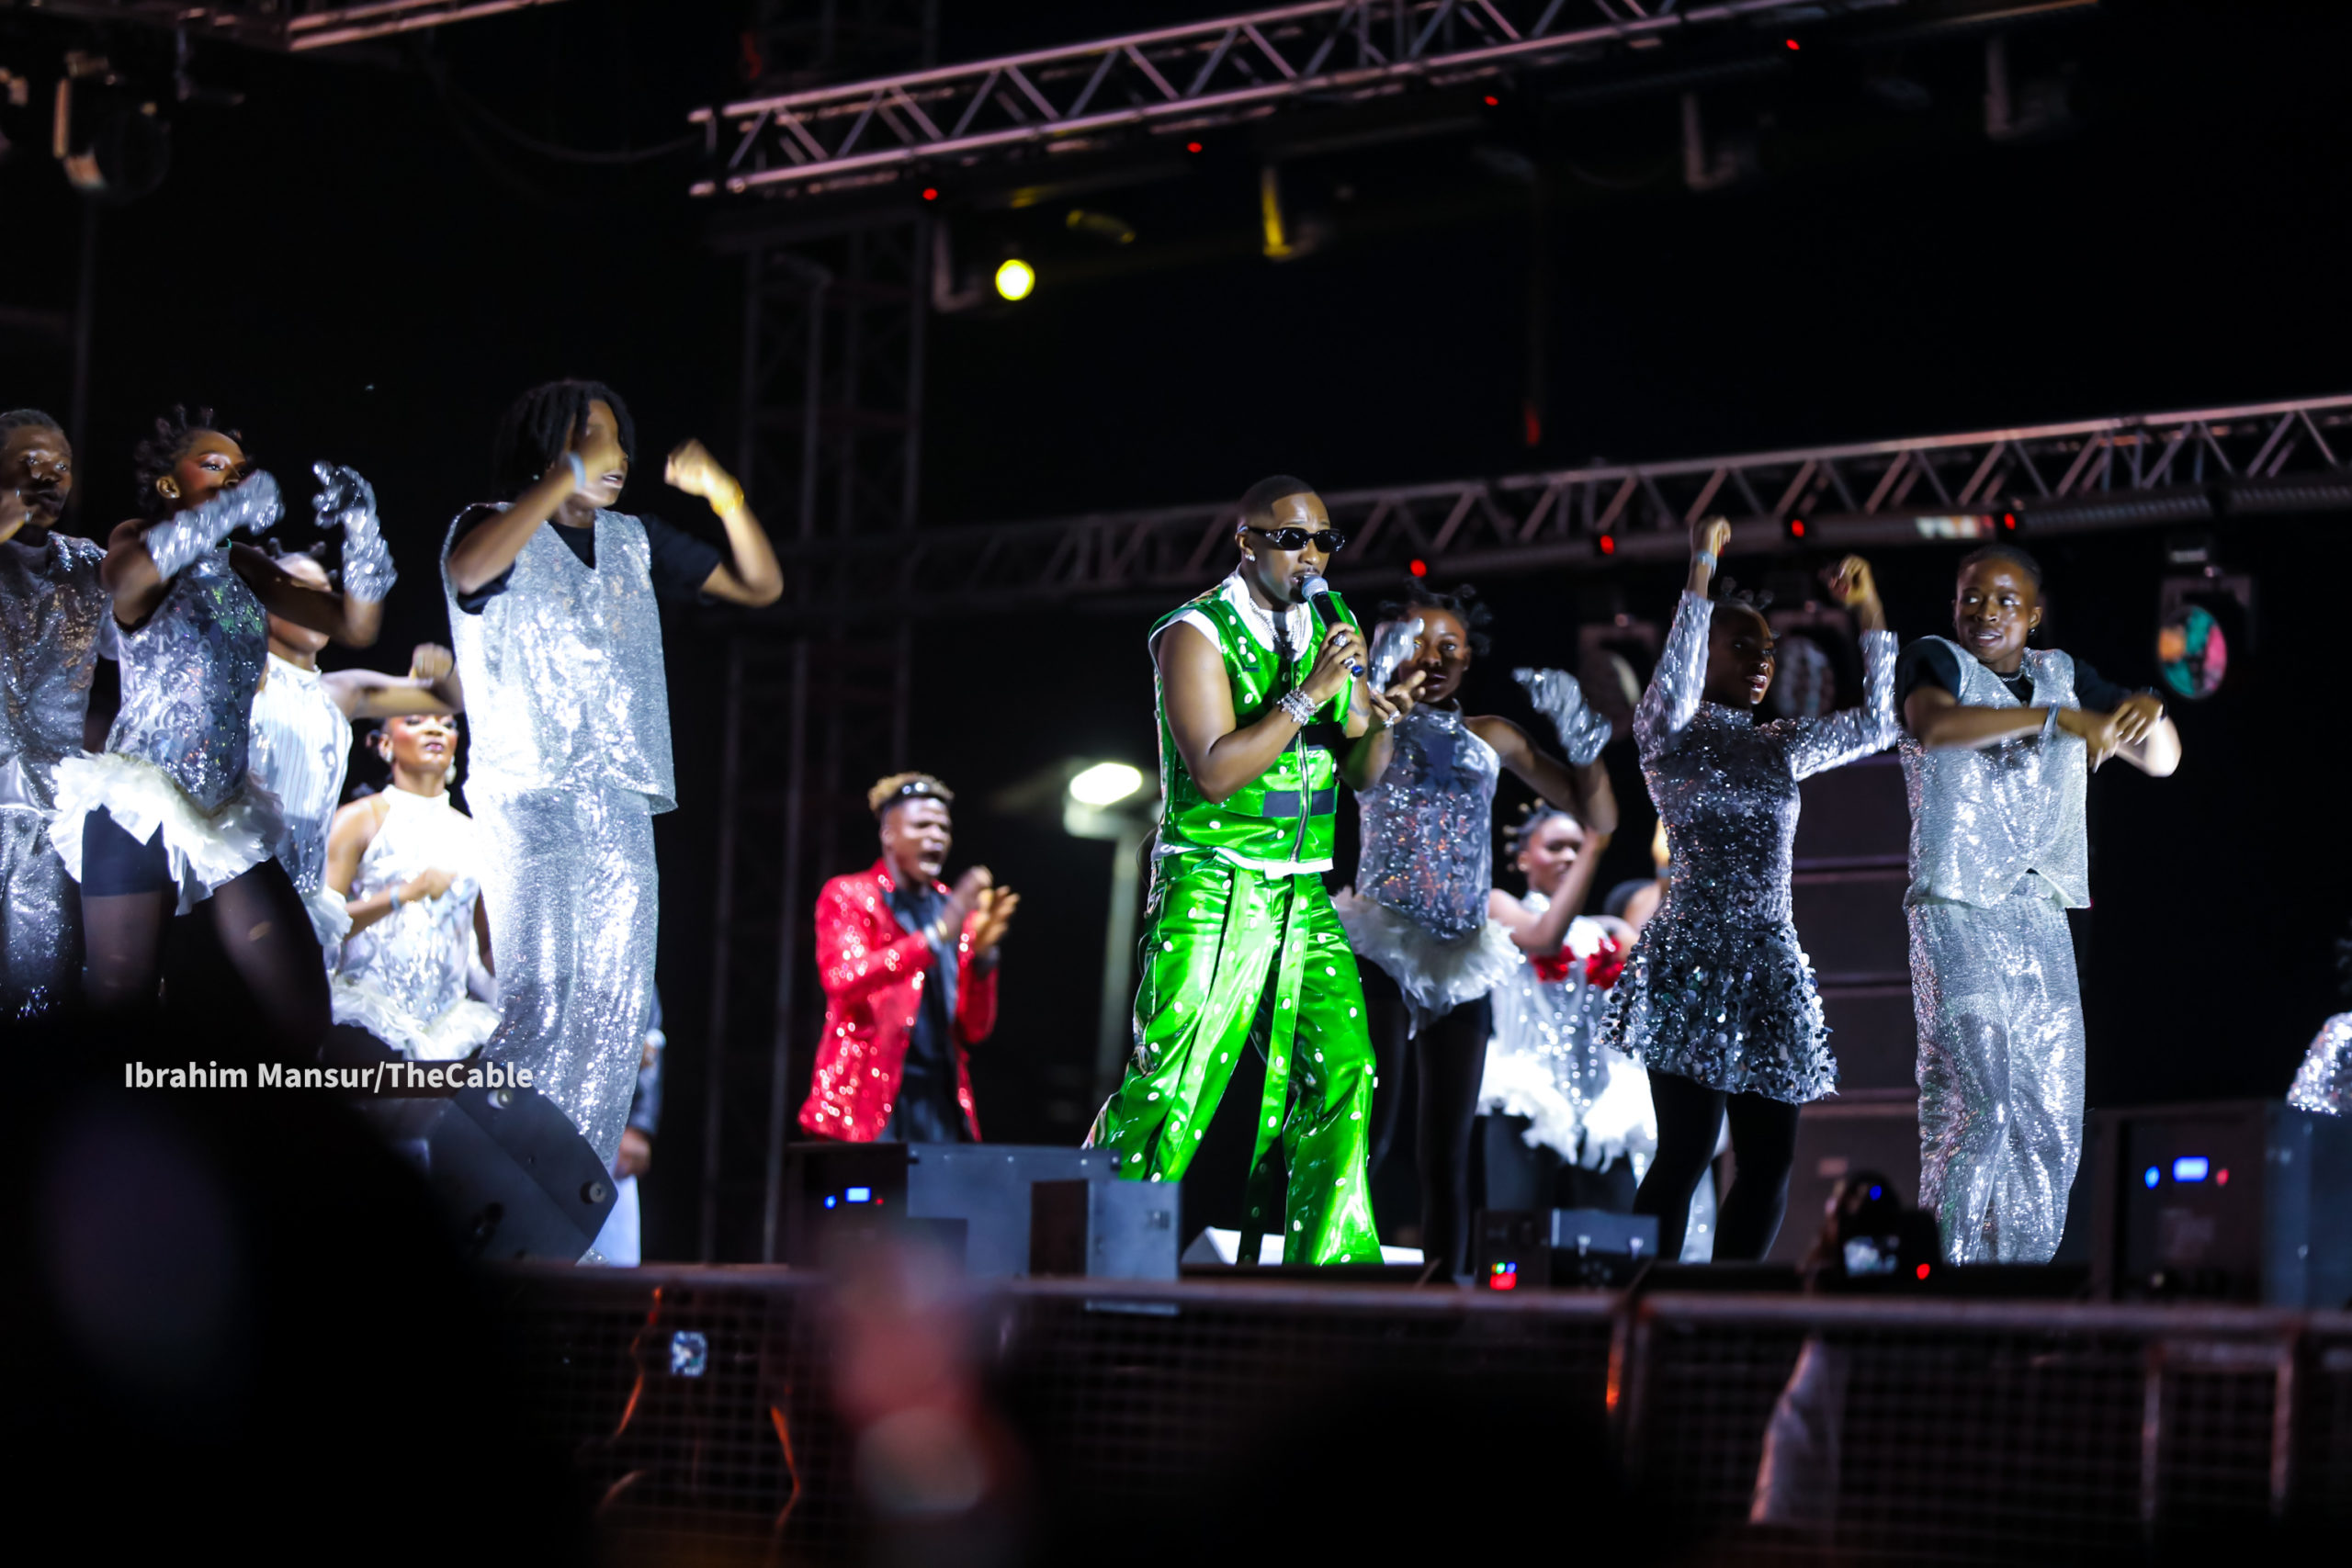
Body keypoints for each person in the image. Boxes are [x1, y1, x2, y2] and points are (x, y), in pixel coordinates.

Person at [441, 379, 782, 1168]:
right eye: (592, 435)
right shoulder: (492, 525)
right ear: (547, 448)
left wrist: (724, 493)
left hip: (621, 805)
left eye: (619, 437)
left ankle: (566, 1198)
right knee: (541, 1005)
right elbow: (468, 572)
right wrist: (564, 475)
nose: (616, 453)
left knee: (614, 1015)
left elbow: (760, 585)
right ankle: (474, 1184)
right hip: (531, 800)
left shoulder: (636, 539)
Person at [1087, 475, 1415, 1267]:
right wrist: (1309, 694)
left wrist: (1379, 721)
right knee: (1175, 1083)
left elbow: (1363, 772)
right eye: (1292, 539)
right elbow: (1214, 772)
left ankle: (1328, 1271)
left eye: (1325, 542)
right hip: (1212, 879)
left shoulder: (1331, 622)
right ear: (1247, 542)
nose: (1312, 557)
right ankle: (1098, 1256)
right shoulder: (1195, 631)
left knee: (1345, 1070)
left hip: (1300, 885)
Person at [46, 409, 391, 1050]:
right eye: (212, 466)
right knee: (123, 1012)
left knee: (302, 1016)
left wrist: (362, 527)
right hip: (138, 802)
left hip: (226, 813)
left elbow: (355, 625)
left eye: (240, 471)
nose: (232, 478)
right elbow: (123, 580)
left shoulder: (245, 566)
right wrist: (227, 511)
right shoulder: (136, 538)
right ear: (169, 484)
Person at [1601, 517, 1898, 1262]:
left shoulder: (1780, 745)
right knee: (1686, 1150)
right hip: (1691, 962)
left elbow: (1881, 722)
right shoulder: (1667, 732)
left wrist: (1868, 611)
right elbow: (1674, 674)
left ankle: (1732, 1300)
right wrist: (1701, 564)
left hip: (1768, 965)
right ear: (1702, 651)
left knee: (1769, 1161)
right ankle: (1643, 1298)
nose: (1762, 662)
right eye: (1742, 646)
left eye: (1768, 650)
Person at [1900, 542, 2182, 1264]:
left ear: (2033, 615)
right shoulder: (1937, 661)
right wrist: (2056, 721)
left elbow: (2162, 759)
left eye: (2004, 600)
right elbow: (1934, 726)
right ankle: (1940, 1280)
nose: (1984, 612)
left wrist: (2148, 709)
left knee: (2049, 1126)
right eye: (1971, 597)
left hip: (2040, 922)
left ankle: (2014, 1290)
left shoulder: (2063, 674)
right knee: (1983, 1107)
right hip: (1957, 908)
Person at [1333, 583, 1619, 1277]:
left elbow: (1600, 818)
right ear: (1389, 649)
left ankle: (1442, 1292)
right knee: (1368, 1132)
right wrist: (1384, 700)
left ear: (1468, 659)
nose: (1433, 658)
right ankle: (1342, 1280)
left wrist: (1581, 737)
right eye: (1417, 643)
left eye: (1449, 647)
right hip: (1382, 944)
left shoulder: (1492, 735)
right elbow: (1363, 775)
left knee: (1447, 1152)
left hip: (1461, 955)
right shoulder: (1369, 718)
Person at [250, 525, 463, 958]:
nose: (317, 604)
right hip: (242, 862)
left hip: (303, 877)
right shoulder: (246, 674)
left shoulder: (343, 690)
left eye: (325, 593)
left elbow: (449, 701)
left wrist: (443, 671)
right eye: (299, 592)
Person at [800, 774, 1019, 1142]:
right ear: (889, 833)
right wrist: (934, 937)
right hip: (863, 1101)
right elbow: (843, 978)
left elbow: (974, 1028)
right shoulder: (851, 895)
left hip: (939, 1103)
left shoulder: (954, 910)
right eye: (922, 825)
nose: (936, 836)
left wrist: (984, 959)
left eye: (944, 828)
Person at [1478, 805, 1648, 1212]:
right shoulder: (1501, 907)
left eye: (1577, 847)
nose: (1570, 857)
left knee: (1612, 1236)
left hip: (1599, 1112)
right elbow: (1545, 937)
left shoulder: (1605, 931)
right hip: (1526, 1101)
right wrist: (1593, 845)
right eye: (1556, 847)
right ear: (1524, 858)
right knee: (1518, 1234)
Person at [0, 409, 107, 1020]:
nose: (49, 477)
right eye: (31, 462)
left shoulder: (89, 565)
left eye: (61, 465)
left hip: (52, 820)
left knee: (41, 1001)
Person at [323, 711, 498, 1058]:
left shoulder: (478, 836)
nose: (435, 729)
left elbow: (488, 948)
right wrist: (404, 894)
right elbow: (320, 927)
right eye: (416, 721)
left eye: (448, 725)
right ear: (385, 744)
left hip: (452, 1029)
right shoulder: (358, 819)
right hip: (367, 1016)